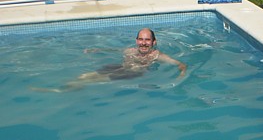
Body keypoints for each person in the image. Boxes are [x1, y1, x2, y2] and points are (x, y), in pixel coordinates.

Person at [31, 28, 187, 93]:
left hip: (130, 74)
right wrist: (98, 50)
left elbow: (181, 65)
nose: (144, 43)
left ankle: (63, 90)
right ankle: (67, 85)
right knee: (85, 75)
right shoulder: (130, 51)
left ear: (154, 42)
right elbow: (116, 51)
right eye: (141, 39)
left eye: (147, 40)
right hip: (119, 67)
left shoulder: (157, 56)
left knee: (93, 80)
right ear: (136, 40)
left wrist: (180, 78)